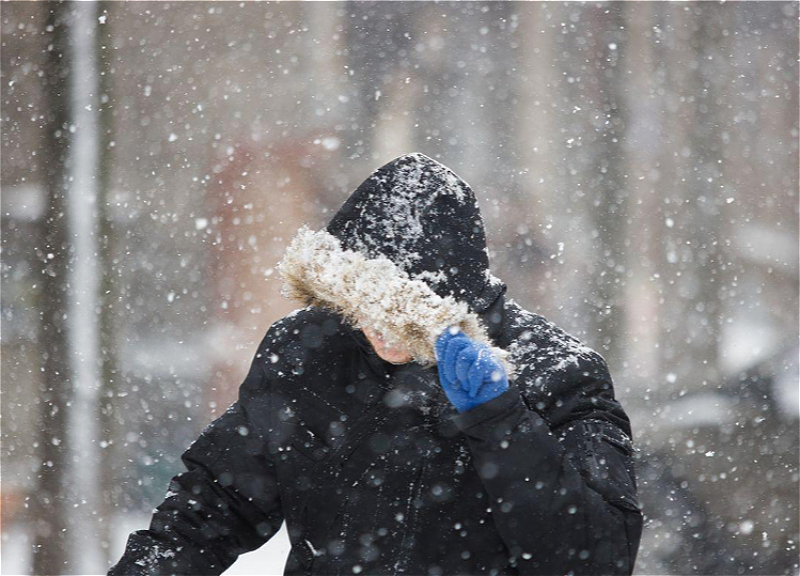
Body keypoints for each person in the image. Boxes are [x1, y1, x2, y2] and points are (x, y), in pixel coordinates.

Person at [109, 152, 642, 576]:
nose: (381, 329)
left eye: (405, 314)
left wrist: (500, 421)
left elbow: (595, 558)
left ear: (455, 301)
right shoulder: (308, 352)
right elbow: (215, 505)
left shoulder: (558, 372)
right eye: (363, 305)